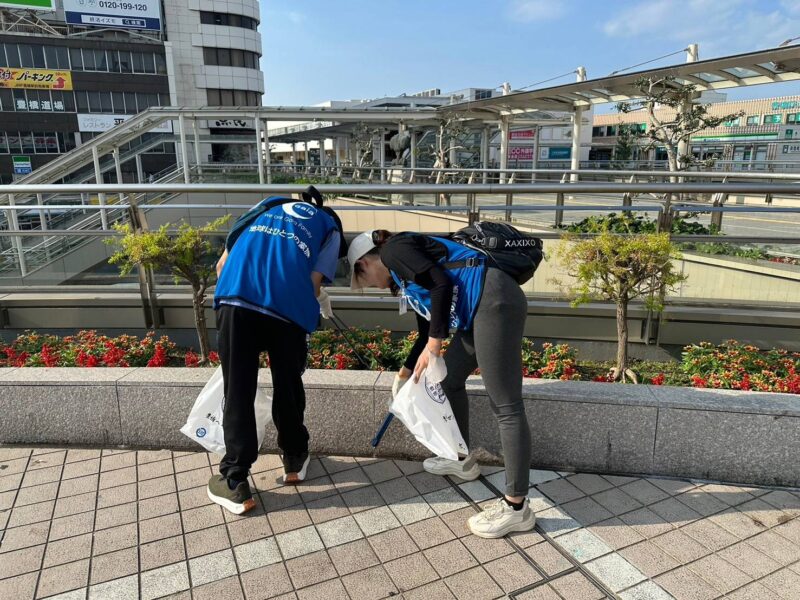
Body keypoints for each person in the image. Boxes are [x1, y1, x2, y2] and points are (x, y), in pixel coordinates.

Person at [348, 229, 535, 538]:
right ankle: (461, 459)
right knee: (450, 381)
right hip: (478, 308)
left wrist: (435, 347)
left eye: (364, 280)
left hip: (493, 301)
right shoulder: (406, 276)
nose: (371, 286)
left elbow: (442, 283)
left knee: (507, 406)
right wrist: (405, 373)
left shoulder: (394, 251)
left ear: (365, 263)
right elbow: (427, 329)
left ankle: (517, 508)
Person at [207, 190, 344, 515]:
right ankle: (294, 458)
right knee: (287, 383)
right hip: (288, 310)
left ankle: (235, 481)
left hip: (237, 297)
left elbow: (222, 264)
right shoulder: (329, 227)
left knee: (238, 389)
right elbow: (312, 284)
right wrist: (320, 300)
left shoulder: (268, 205)